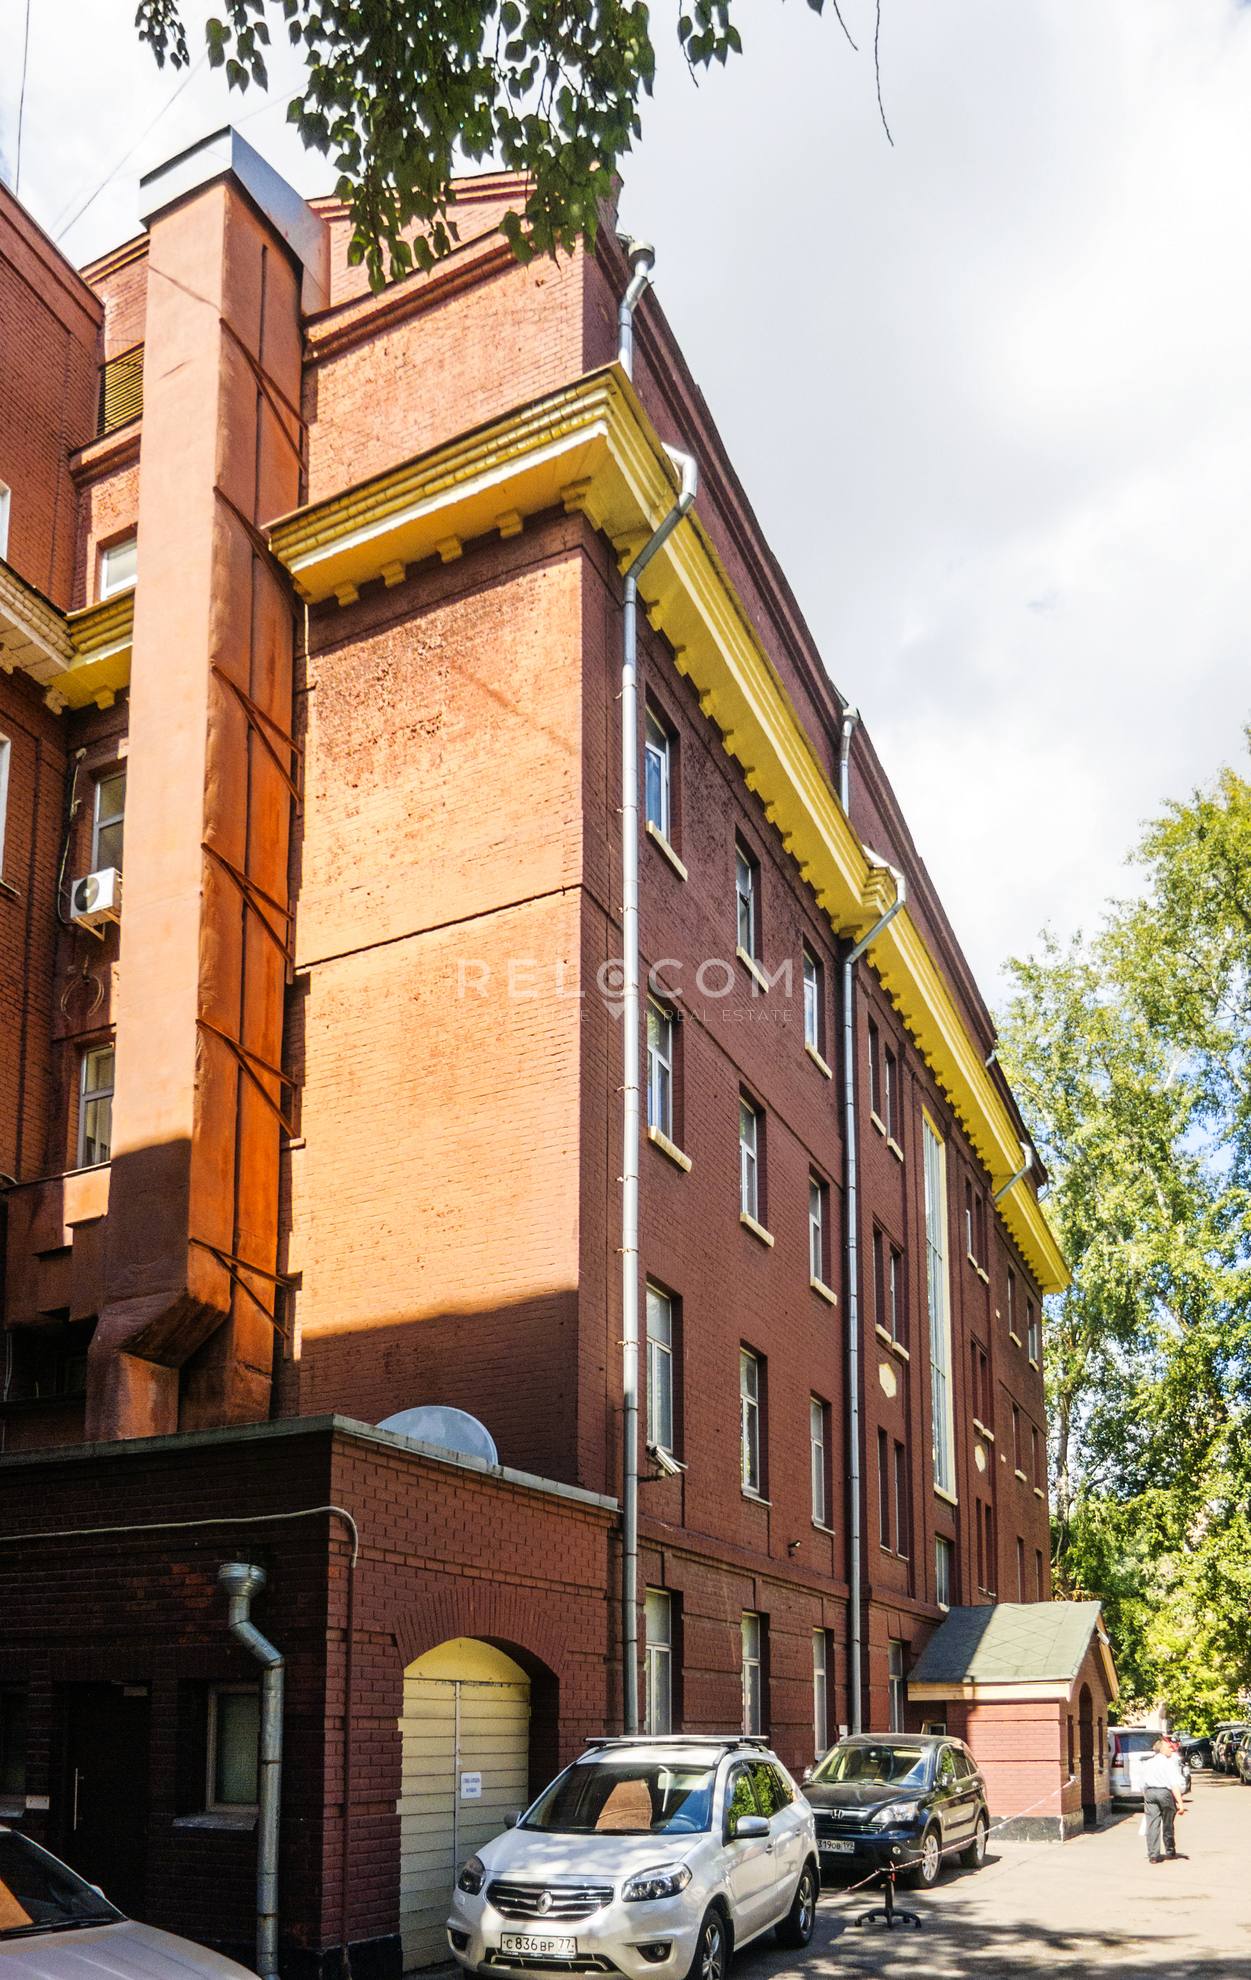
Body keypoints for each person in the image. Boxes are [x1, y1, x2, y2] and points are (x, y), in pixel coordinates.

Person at [1140, 1736, 1187, 1863]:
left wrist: (1146, 1796)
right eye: (1169, 1747)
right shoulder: (1168, 1763)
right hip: (1164, 1793)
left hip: (1149, 1792)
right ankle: (1170, 1849)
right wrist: (1180, 1803)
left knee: (1152, 1824)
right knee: (1168, 1823)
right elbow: (1174, 1784)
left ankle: (1153, 1855)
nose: (1171, 1749)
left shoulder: (1148, 1763)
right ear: (1161, 1749)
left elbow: (1142, 1783)